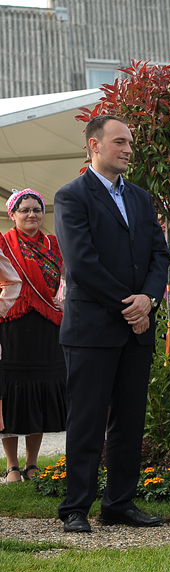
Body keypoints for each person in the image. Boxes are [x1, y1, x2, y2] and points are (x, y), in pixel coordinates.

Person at [53, 115, 170, 533]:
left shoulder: (140, 198)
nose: (128, 149)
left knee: (130, 421)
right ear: (94, 145)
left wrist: (149, 299)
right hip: (93, 329)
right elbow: (82, 263)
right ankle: (75, 507)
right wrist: (130, 306)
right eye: (120, 141)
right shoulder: (71, 197)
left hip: (137, 330)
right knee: (86, 421)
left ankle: (119, 504)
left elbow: (159, 254)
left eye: (130, 143)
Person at [0, 189, 65, 484]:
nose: (31, 214)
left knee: (41, 389)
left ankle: (32, 463)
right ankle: (12, 465)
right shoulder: (3, 244)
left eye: (36, 209)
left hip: (46, 326)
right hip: (12, 325)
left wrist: (65, 301)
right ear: (12, 215)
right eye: (24, 210)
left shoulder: (54, 244)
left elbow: (70, 278)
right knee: (13, 393)